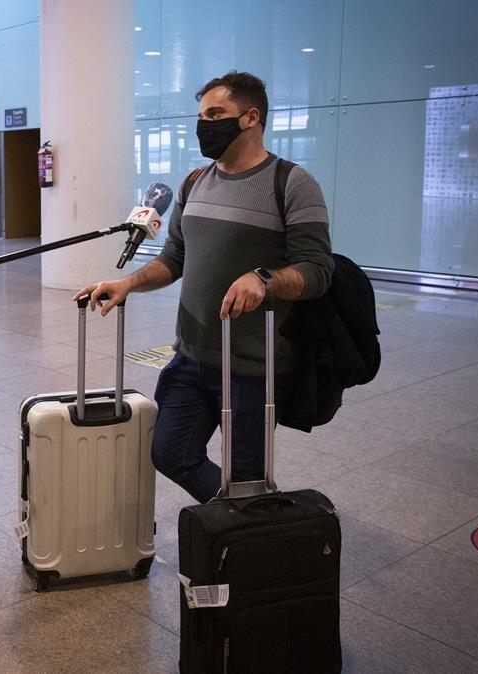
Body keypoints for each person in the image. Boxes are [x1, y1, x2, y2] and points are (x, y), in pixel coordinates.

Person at [75, 71, 333, 504]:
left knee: (247, 475)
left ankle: (248, 534)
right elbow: (174, 257)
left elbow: (318, 269)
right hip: (190, 357)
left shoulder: (290, 183)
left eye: (216, 113)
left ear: (251, 117)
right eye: (201, 115)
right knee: (170, 452)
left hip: (252, 367)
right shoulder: (195, 182)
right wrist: (127, 284)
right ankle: (245, 519)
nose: (204, 124)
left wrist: (264, 278)